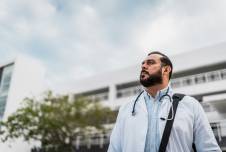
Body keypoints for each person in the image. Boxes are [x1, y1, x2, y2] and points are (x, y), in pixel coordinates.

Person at [107, 51, 221, 152]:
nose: (144, 66)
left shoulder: (191, 105)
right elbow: (114, 148)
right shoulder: (126, 108)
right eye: (143, 64)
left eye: (150, 63)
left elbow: (209, 148)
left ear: (166, 69)